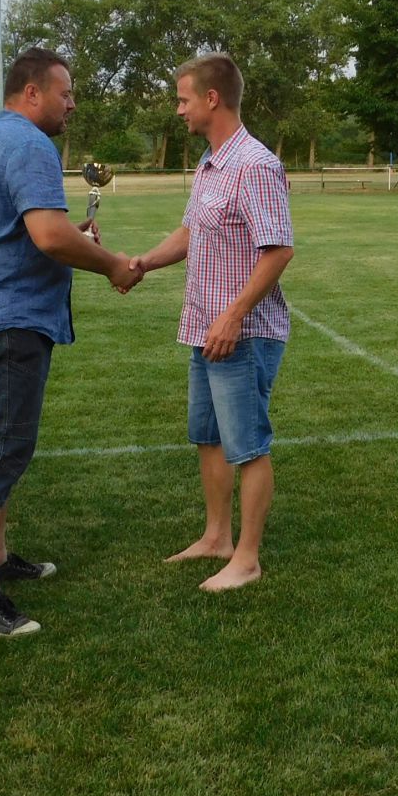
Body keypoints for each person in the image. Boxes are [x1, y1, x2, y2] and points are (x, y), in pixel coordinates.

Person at [0, 47, 142, 637]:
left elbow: (23, 230)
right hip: (6, 318)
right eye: (65, 92)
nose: (72, 103)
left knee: (2, 441)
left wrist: (73, 234)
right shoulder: (30, 144)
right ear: (31, 93)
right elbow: (50, 236)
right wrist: (111, 263)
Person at [130, 53, 294, 593]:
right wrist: (141, 263)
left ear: (212, 98)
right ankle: (217, 537)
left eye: (183, 100)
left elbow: (278, 250)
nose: (179, 110)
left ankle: (247, 558)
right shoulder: (209, 163)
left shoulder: (255, 165)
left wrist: (232, 316)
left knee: (248, 445)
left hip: (240, 334)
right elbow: (190, 233)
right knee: (208, 436)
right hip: (205, 330)